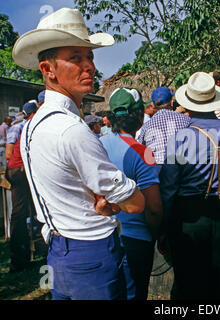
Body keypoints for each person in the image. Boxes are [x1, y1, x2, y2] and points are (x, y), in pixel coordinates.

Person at [13, 7, 145, 300]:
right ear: (48, 70)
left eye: (89, 57)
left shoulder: (32, 125)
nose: (89, 66)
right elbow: (135, 204)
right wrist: (110, 202)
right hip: (92, 251)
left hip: (60, 249)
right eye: (75, 58)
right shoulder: (72, 130)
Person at [159, 72, 220, 300]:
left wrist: (166, 223)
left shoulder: (180, 137)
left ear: (188, 105)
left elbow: (169, 188)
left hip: (188, 216)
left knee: (188, 280)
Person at [101, 87, 163, 300]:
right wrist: (159, 237)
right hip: (136, 241)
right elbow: (154, 207)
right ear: (139, 116)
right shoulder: (142, 152)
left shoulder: (96, 146)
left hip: (104, 237)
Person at [5, 100, 38, 272]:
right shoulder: (29, 126)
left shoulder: (25, 125)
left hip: (18, 170)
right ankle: (19, 258)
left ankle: (27, 252)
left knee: (25, 211)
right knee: (20, 213)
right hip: (20, 171)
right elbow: (10, 153)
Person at [137, 86, 190, 166]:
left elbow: (141, 150)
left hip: (157, 171)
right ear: (171, 103)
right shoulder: (186, 120)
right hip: (183, 170)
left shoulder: (146, 126)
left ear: (153, 105)